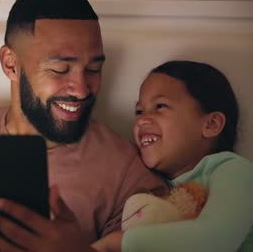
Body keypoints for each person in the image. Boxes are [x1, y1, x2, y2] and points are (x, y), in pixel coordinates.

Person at [0, 0, 167, 251]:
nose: (81, 90)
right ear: (10, 64)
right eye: (60, 69)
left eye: (94, 69)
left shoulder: (126, 172)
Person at [91, 61, 253, 252]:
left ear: (211, 124)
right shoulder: (152, 184)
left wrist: (116, 243)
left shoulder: (233, 170)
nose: (142, 119)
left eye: (160, 106)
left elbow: (216, 239)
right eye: (139, 111)